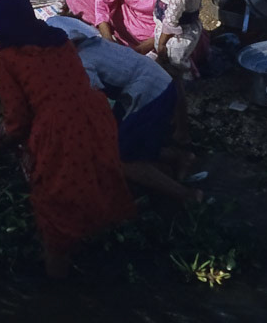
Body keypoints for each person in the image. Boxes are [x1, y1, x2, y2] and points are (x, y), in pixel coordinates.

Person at [0, 0, 134, 277]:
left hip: (60, 129)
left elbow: (17, 120)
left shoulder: (6, 61)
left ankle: (58, 285)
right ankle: (103, 248)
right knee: (97, 177)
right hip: (95, 116)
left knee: (55, 205)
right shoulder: (59, 41)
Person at [49, 17, 202, 204]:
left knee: (122, 159)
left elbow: (94, 102)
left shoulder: (82, 62)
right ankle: (179, 158)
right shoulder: (97, 45)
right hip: (156, 84)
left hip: (151, 95)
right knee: (123, 141)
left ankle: (186, 195)